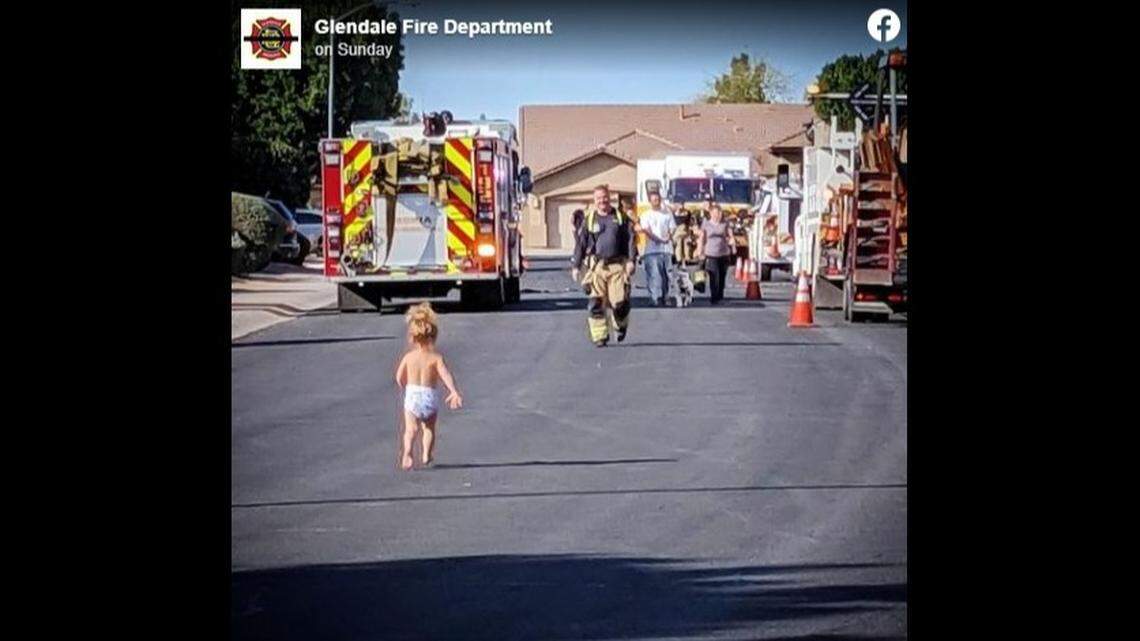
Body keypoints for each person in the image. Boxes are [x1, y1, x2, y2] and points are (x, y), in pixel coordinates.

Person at [395, 302, 463, 470]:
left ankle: (407, 453)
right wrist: (453, 391)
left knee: (410, 429)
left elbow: (399, 377)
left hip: (412, 396)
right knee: (429, 428)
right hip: (429, 396)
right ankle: (426, 454)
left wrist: (404, 385)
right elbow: (445, 375)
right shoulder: (436, 358)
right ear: (433, 336)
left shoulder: (409, 357)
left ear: (411, 337)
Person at [570, 184, 637, 347]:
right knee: (596, 303)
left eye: (605, 197)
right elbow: (581, 244)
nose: (602, 201)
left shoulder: (620, 218)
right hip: (597, 267)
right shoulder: (589, 220)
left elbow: (630, 240)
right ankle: (600, 336)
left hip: (617, 266)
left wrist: (631, 261)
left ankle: (620, 326)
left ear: (610, 197)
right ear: (595, 200)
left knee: (619, 304)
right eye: (599, 198)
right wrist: (576, 266)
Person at [638, 191, 677, 306]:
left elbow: (672, 228)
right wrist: (659, 240)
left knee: (667, 275)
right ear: (650, 201)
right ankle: (654, 298)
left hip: (666, 250)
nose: (656, 202)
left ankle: (666, 297)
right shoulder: (646, 215)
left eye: (658, 199)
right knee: (654, 275)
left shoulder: (667, 213)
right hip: (651, 250)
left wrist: (668, 237)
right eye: (654, 200)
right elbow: (647, 230)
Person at [697, 204, 735, 305]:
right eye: (715, 213)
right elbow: (702, 238)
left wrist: (732, 245)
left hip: (723, 253)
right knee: (714, 275)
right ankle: (714, 297)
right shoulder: (706, 224)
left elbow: (730, 236)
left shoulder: (725, 224)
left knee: (722, 276)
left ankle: (720, 295)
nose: (717, 215)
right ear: (711, 214)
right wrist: (700, 251)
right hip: (710, 253)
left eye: (719, 213)